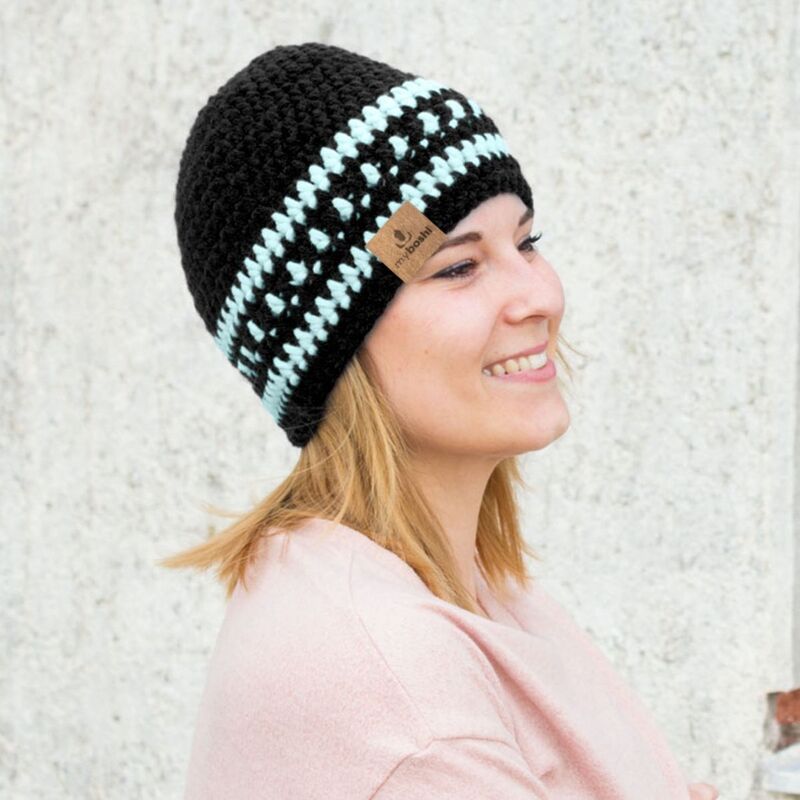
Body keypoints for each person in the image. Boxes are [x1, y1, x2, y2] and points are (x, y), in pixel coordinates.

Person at [163, 41, 718, 799]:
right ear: (331, 347)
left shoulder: (471, 591)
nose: (540, 297)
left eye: (527, 242)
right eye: (458, 266)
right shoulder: (400, 699)